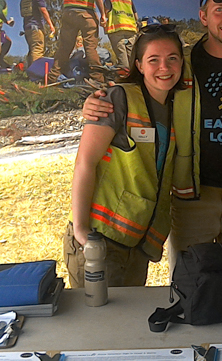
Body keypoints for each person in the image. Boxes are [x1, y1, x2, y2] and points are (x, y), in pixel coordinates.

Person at [82, 0, 222, 273]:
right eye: (219, 9)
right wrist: (97, 102)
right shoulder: (180, 62)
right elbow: (141, 91)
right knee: (189, 286)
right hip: (192, 196)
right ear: (204, 17)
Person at [65, 23, 186, 288]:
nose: (164, 68)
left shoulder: (179, 105)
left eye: (172, 59)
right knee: (99, 326)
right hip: (101, 239)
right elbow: (85, 163)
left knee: (126, 325)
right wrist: (81, 231)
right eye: (154, 60)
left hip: (137, 244)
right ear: (140, 65)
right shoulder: (117, 98)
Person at [49, 0, 106, 83]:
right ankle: (97, 79)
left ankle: (53, 77)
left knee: (64, 47)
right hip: (86, 14)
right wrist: (103, 15)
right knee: (90, 47)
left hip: (68, 13)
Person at [104, 0, 138, 70]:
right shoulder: (128, 0)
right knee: (131, 53)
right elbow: (135, 16)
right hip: (131, 29)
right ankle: (133, 73)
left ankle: (124, 73)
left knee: (121, 53)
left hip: (116, 28)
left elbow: (106, 12)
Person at [20, 0, 55, 66]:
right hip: (36, 27)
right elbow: (43, 11)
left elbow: (22, 14)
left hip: (27, 27)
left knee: (32, 50)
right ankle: (36, 75)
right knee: (37, 49)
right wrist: (51, 25)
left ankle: (30, 72)